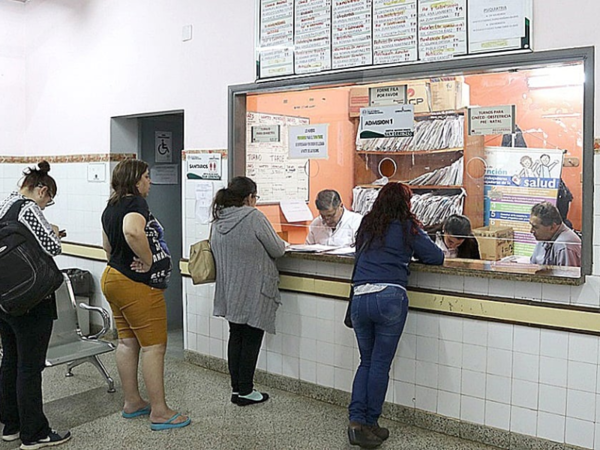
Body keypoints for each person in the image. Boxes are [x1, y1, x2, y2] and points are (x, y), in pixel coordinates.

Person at [348, 183, 444, 448]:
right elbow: (436, 257)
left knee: (365, 362)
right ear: (406, 203)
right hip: (389, 296)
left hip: (360, 297)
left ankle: (356, 422)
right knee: (379, 364)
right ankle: (371, 424)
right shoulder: (406, 227)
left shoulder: (368, 224)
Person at [101, 159, 190, 431]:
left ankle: (133, 402)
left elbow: (106, 244)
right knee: (154, 347)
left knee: (127, 343)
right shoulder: (135, 203)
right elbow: (132, 231)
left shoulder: (111, 206)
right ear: (135, 181)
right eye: (147, 177)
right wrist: (148, 261)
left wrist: (121, 261)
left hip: (113, 278)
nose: (150, 182)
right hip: (136, 284)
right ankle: (160, 412)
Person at [0, 161, 72, 449]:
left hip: (5, 298)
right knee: (30, 367)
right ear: (41, 190)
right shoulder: (29, 209)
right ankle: (35, 434)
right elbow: (53, 248)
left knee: (10, 361)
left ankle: (12, 426)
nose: (45, 206)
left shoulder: (5, 204)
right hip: (32, 299)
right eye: (48, 201)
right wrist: (52, 231)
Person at [211, 176, 286, 406]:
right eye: (255, 197)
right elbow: (278, 249)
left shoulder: (218, 219)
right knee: (252, 338)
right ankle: (246, 390)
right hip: (254, 289)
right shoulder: (253, 217)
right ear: (249, 197)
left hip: (230, 289)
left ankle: (237, 389)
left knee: (236, 337)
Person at [529, 201, 581, 267]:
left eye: (535, 227)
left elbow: (566, 276)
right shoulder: (544, 237)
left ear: (552, 227)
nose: (531, 231)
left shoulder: (564, 247)